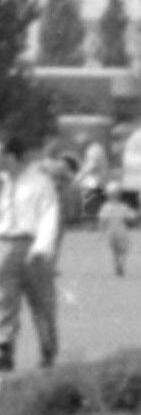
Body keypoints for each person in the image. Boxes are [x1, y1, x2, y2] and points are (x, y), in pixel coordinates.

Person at [0, 134, 65, 370]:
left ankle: (47, 349)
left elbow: (50, 216)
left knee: (41, 302)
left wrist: (42, 248)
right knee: (4, 299)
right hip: (5, 244)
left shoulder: (39, 183)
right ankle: (4, 348)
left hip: (32, 246)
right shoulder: (3, 182)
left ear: (12, 157)